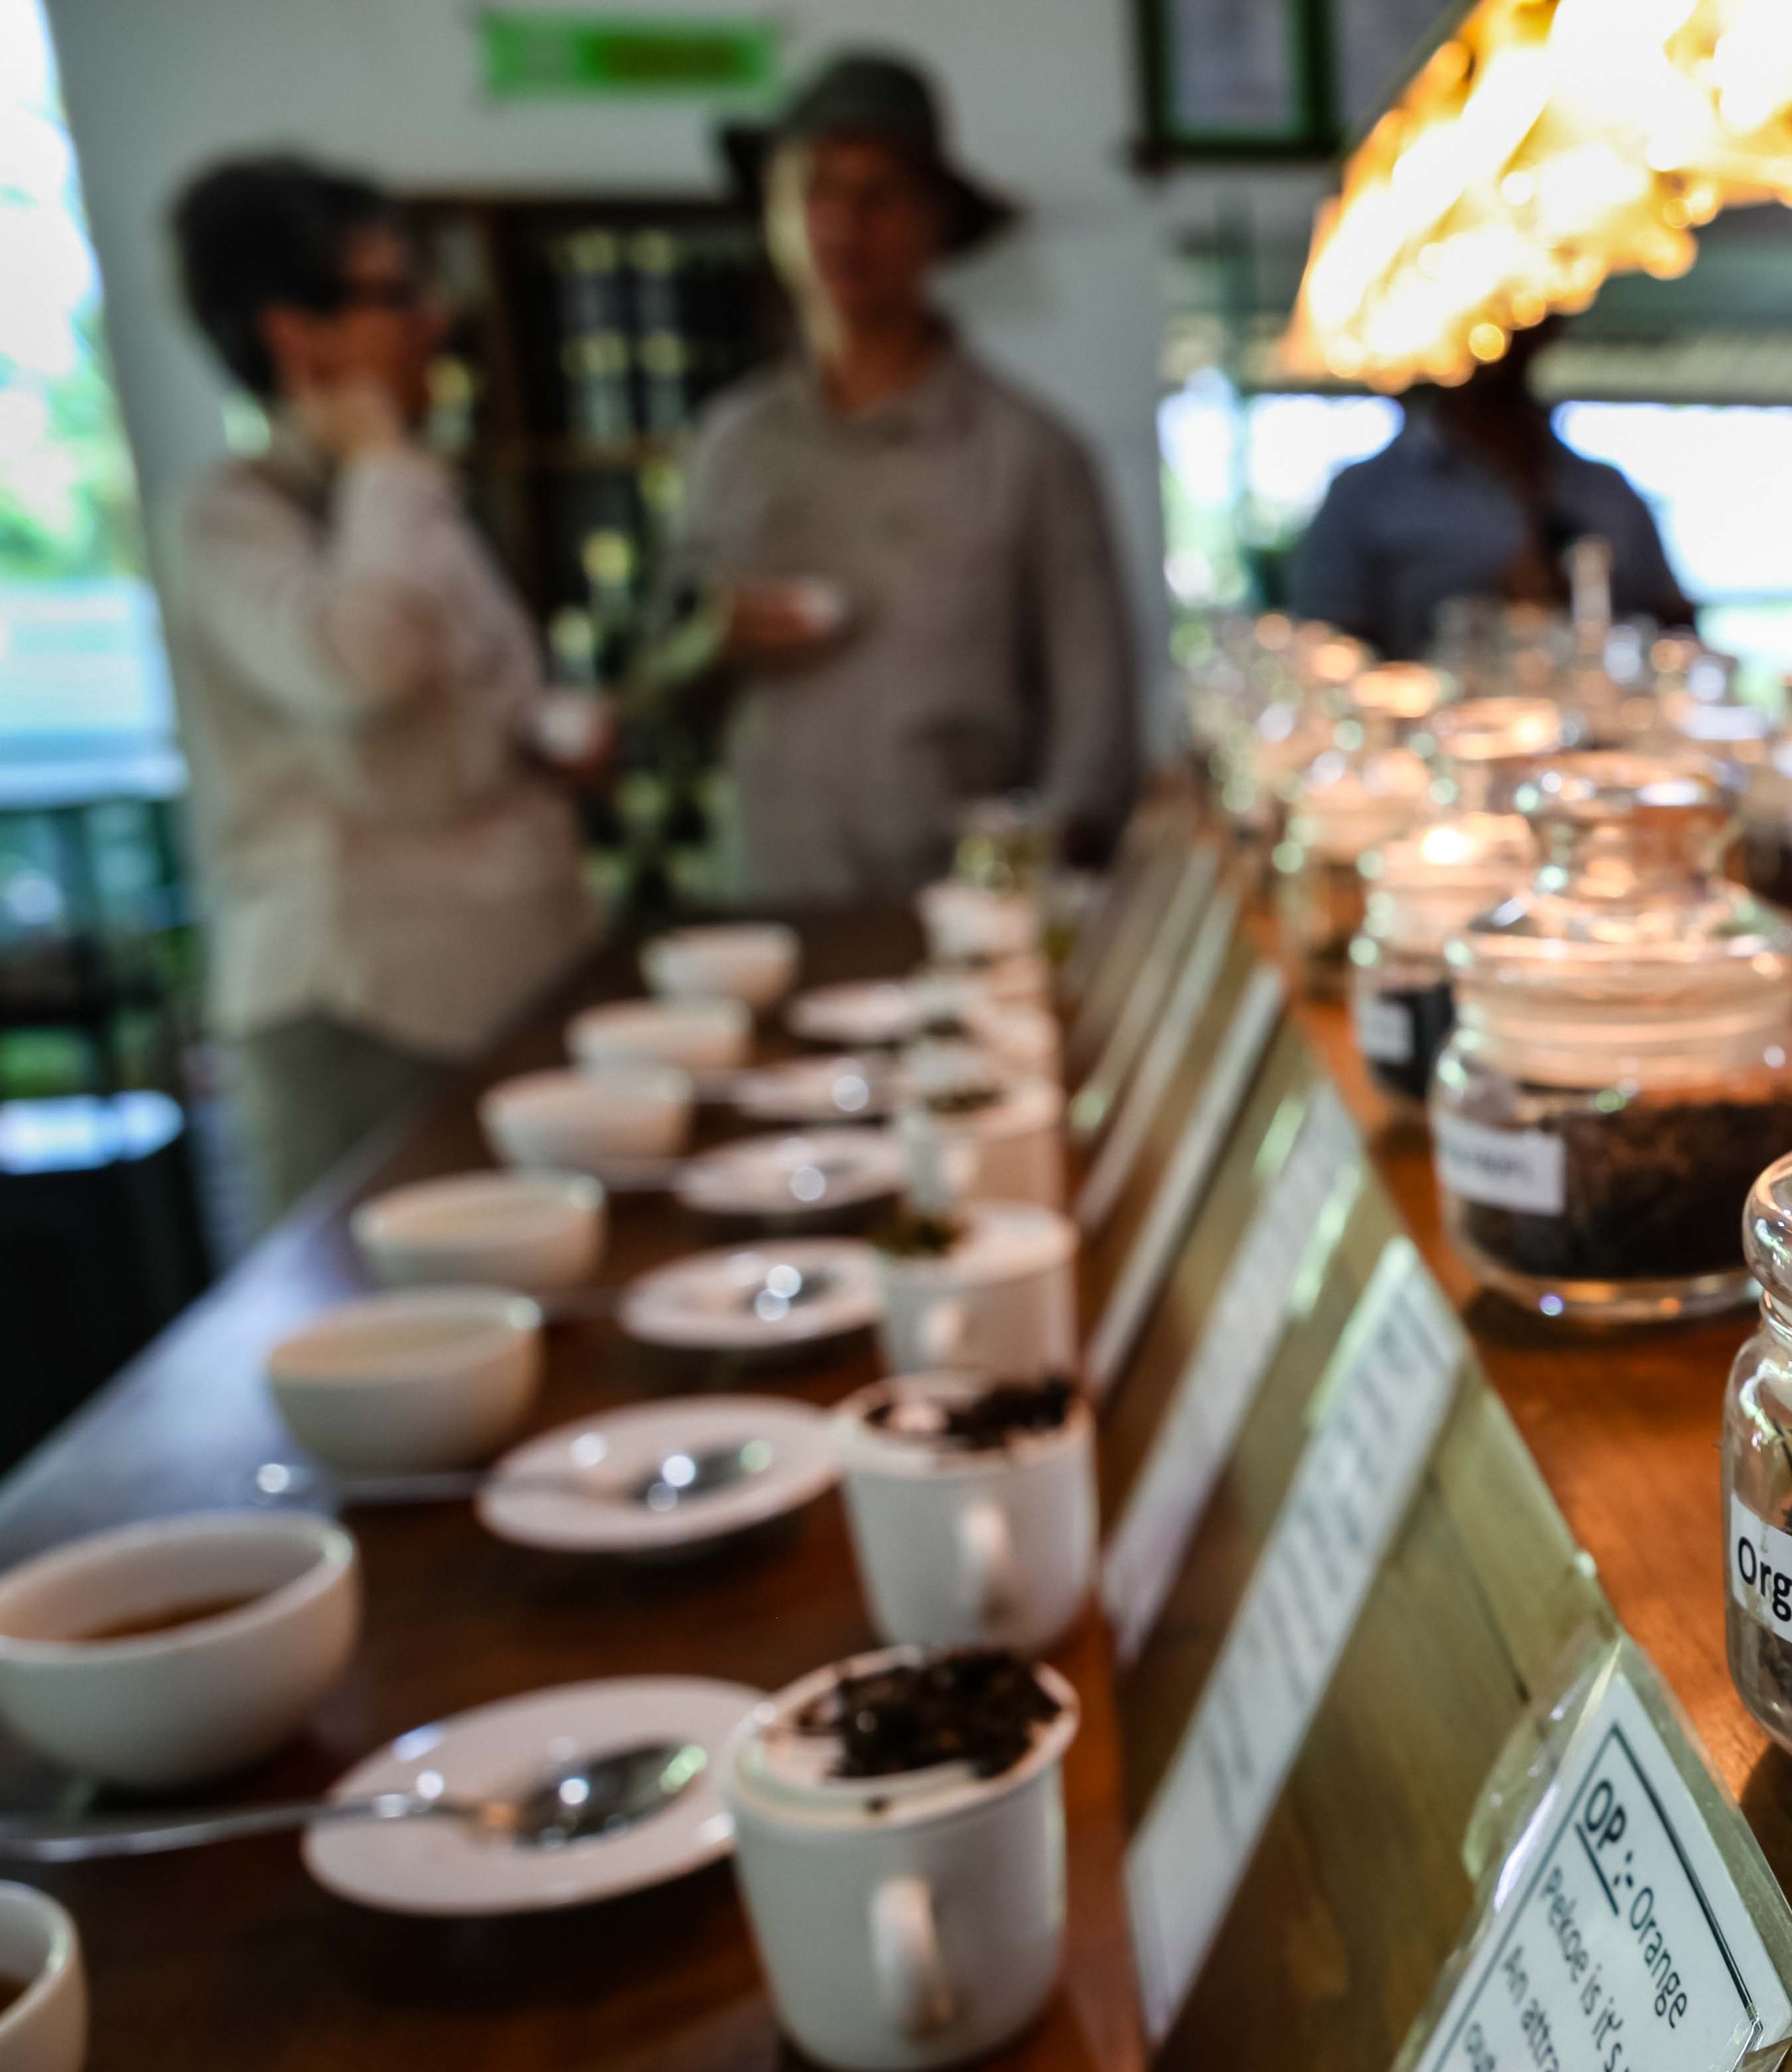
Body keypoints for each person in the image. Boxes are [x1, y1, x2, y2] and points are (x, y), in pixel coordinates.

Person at [163, 155, 598, 1216]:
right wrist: (374, 456)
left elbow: (480, 688)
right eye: (395, 293)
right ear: (295, 334)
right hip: (366, 1010)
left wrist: (549, 729)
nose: (433, 320)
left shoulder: (397, 494)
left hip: (496, 973)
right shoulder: (232, 516)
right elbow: (366, 665)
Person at [666, 50, 1137, 906]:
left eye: (879, 194)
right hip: (768, 904)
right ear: (774, 212)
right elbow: (657, 686)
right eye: (817, 190)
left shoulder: (1029, 453)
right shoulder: (731, 443)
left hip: (960, 922)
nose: (845, 225)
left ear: (934, 223)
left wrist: (1029, 892)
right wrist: (710, 639)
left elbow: (1094, 724)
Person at [1286, 319, 1693, 663]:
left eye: (1522, 315)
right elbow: (1322, 641)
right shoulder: (1365, 493)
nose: (1502, 338)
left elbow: (1676, 629)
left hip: (1596, 740)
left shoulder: (1606, 491)